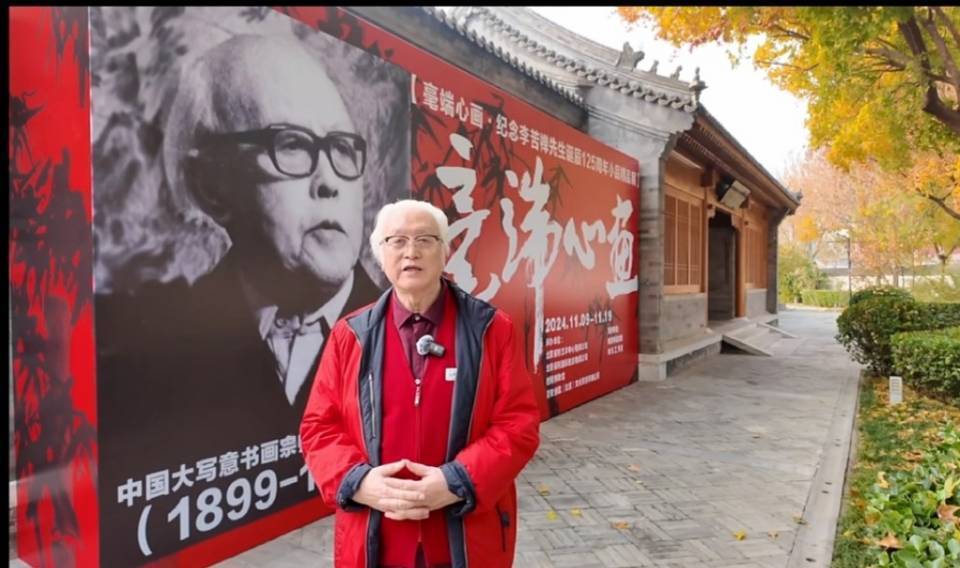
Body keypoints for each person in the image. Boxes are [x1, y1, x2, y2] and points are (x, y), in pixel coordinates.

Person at [95, 34, 386, 564]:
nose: (330, 183)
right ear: (211, 185)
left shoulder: (405, 334)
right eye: (293, 145)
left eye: (343, 149)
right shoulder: (143, 351)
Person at [301, 199, 541, 568]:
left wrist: (457, 480)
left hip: (463, 534)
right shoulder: (351, 335)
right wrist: (358, 482)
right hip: (375, 538)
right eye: (396, 241)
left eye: (425, 240)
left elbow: (518, 424)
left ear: (445, 252)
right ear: (380, 254)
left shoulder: (491, 330)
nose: (410, 252)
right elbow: (318, 427)